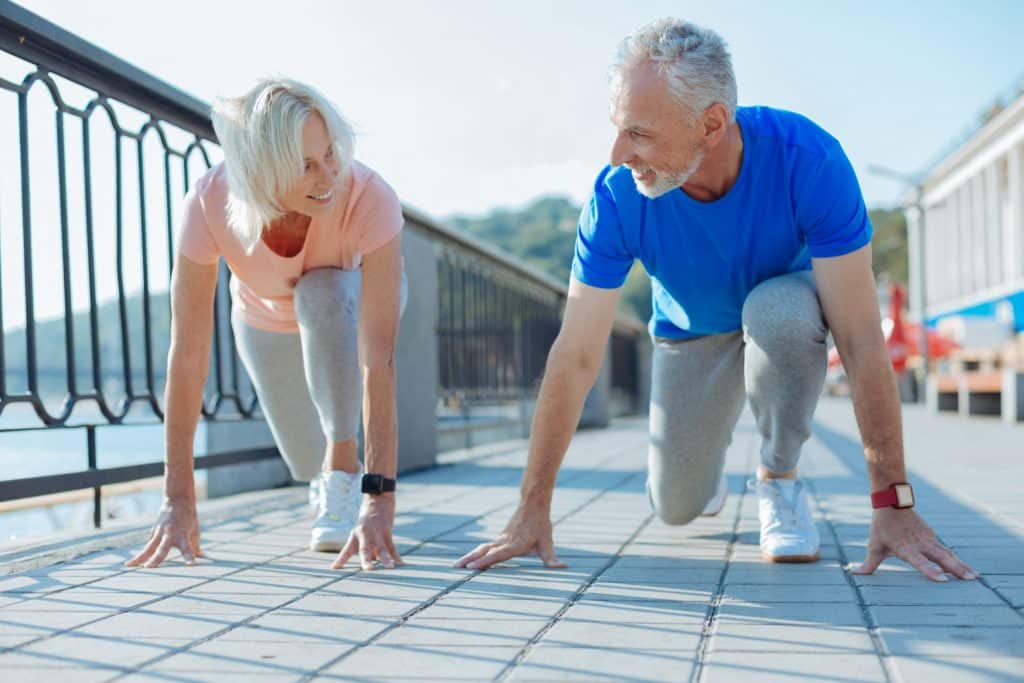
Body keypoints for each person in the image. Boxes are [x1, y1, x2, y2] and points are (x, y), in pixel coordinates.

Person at [456, 19, 978, 583]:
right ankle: (707, 468)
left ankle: (778, 479)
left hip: (782, 314)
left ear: (711, 124)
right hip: (690, 329)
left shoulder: (810, 161)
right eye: (617, 129)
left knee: (778, 313)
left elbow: (859, 338)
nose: (616, 154)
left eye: (639, 133)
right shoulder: (616, 198)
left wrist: (893, 504)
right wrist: (532, 507)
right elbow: (576, 353)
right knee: (674, 505)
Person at [127, 78, 406, 571]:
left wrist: (378, 499)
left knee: (321, 291)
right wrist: (177, 497)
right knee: (303, 460)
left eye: (331, 154)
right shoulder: (210, 204)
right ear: (264, 171)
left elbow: (376, 358)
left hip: (347, 300)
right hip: (261, 315)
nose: (329, 175)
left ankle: (344, 466)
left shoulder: (368, 196)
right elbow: (188, 352)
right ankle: (326, 472)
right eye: (307, 165)